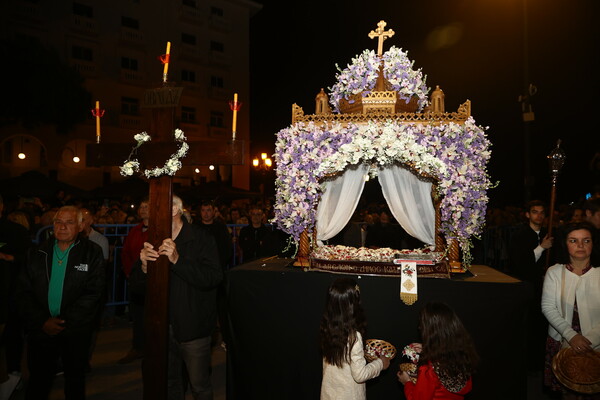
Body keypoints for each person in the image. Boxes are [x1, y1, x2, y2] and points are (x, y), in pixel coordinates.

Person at [129, 195, 222, 400]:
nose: (148, 213)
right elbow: (135, 288)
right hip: (161, 326)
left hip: (193, 325)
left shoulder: (201, 238)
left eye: (154, 208)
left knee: (199, 385)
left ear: (173, 210)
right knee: (169, 383)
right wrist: (143, 267)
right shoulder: (152, 239)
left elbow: (213, 277)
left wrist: (178, 260)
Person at [15, 205, 105, 399]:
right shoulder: (36, 253)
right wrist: (42, 321)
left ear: (81, 226)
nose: (62, 227)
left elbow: (93, 293)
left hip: (75, 331)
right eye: (58, 222)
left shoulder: (92, 252)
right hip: (41, 330)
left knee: (75, 381)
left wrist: (63, 322)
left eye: (69, 222)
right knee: (38, 381)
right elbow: (23, 292)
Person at [541, 222, 600, 399]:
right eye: (573, 240)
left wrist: (590, 340)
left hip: (596, 344)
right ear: (565, 244)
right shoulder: (554, 272)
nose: (580, 245)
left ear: (593, 244)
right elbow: (548, 307)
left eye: (586, 240)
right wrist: (571, 335)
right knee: (567, 394)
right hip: (562, 340)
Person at [319, 277, 389, 400]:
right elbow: (360, 375)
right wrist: (380, 363)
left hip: (329, 394)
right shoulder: (354, 337)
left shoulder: (327, 328)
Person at [508, 200, 554, 372]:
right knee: (528, 326)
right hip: (527, 288)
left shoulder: (549, 233)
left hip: (545, 287)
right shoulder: (519, 236)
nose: (539, 216)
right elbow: (521, 264)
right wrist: (541, 247)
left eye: (542, 212)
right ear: (528, 214)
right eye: (535, 212)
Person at [397, 302, 478, 400]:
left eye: (422, 324)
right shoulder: (462, 355)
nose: (419, 327)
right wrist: (428, 349)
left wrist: (407, 383)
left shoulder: (429, 368)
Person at [0, 195, 31, 398]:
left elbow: (28, 260)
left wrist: (10, 258)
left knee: (11, 336)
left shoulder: (15, 232)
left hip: (9, 296)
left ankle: (13, 374)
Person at [194, 201, 232, 348]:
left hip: (217, 272)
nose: (206, 213)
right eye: (203, 210)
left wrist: (217, 266)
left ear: (214, 211)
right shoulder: (195, 228)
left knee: (221, 307)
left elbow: (227, 249)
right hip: (200, 273)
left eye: (208, 210)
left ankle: (226, 338)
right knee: (202, 306)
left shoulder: (220, 228)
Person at [118, 198, 149, 364]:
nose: (143, 209)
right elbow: (126, 253)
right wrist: (130, 272)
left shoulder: (159, 230)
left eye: (146, 206)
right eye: (141, 206)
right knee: (137, 315)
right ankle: (138, 347)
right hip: (136, 279)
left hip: (151, 280)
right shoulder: (134, 231)